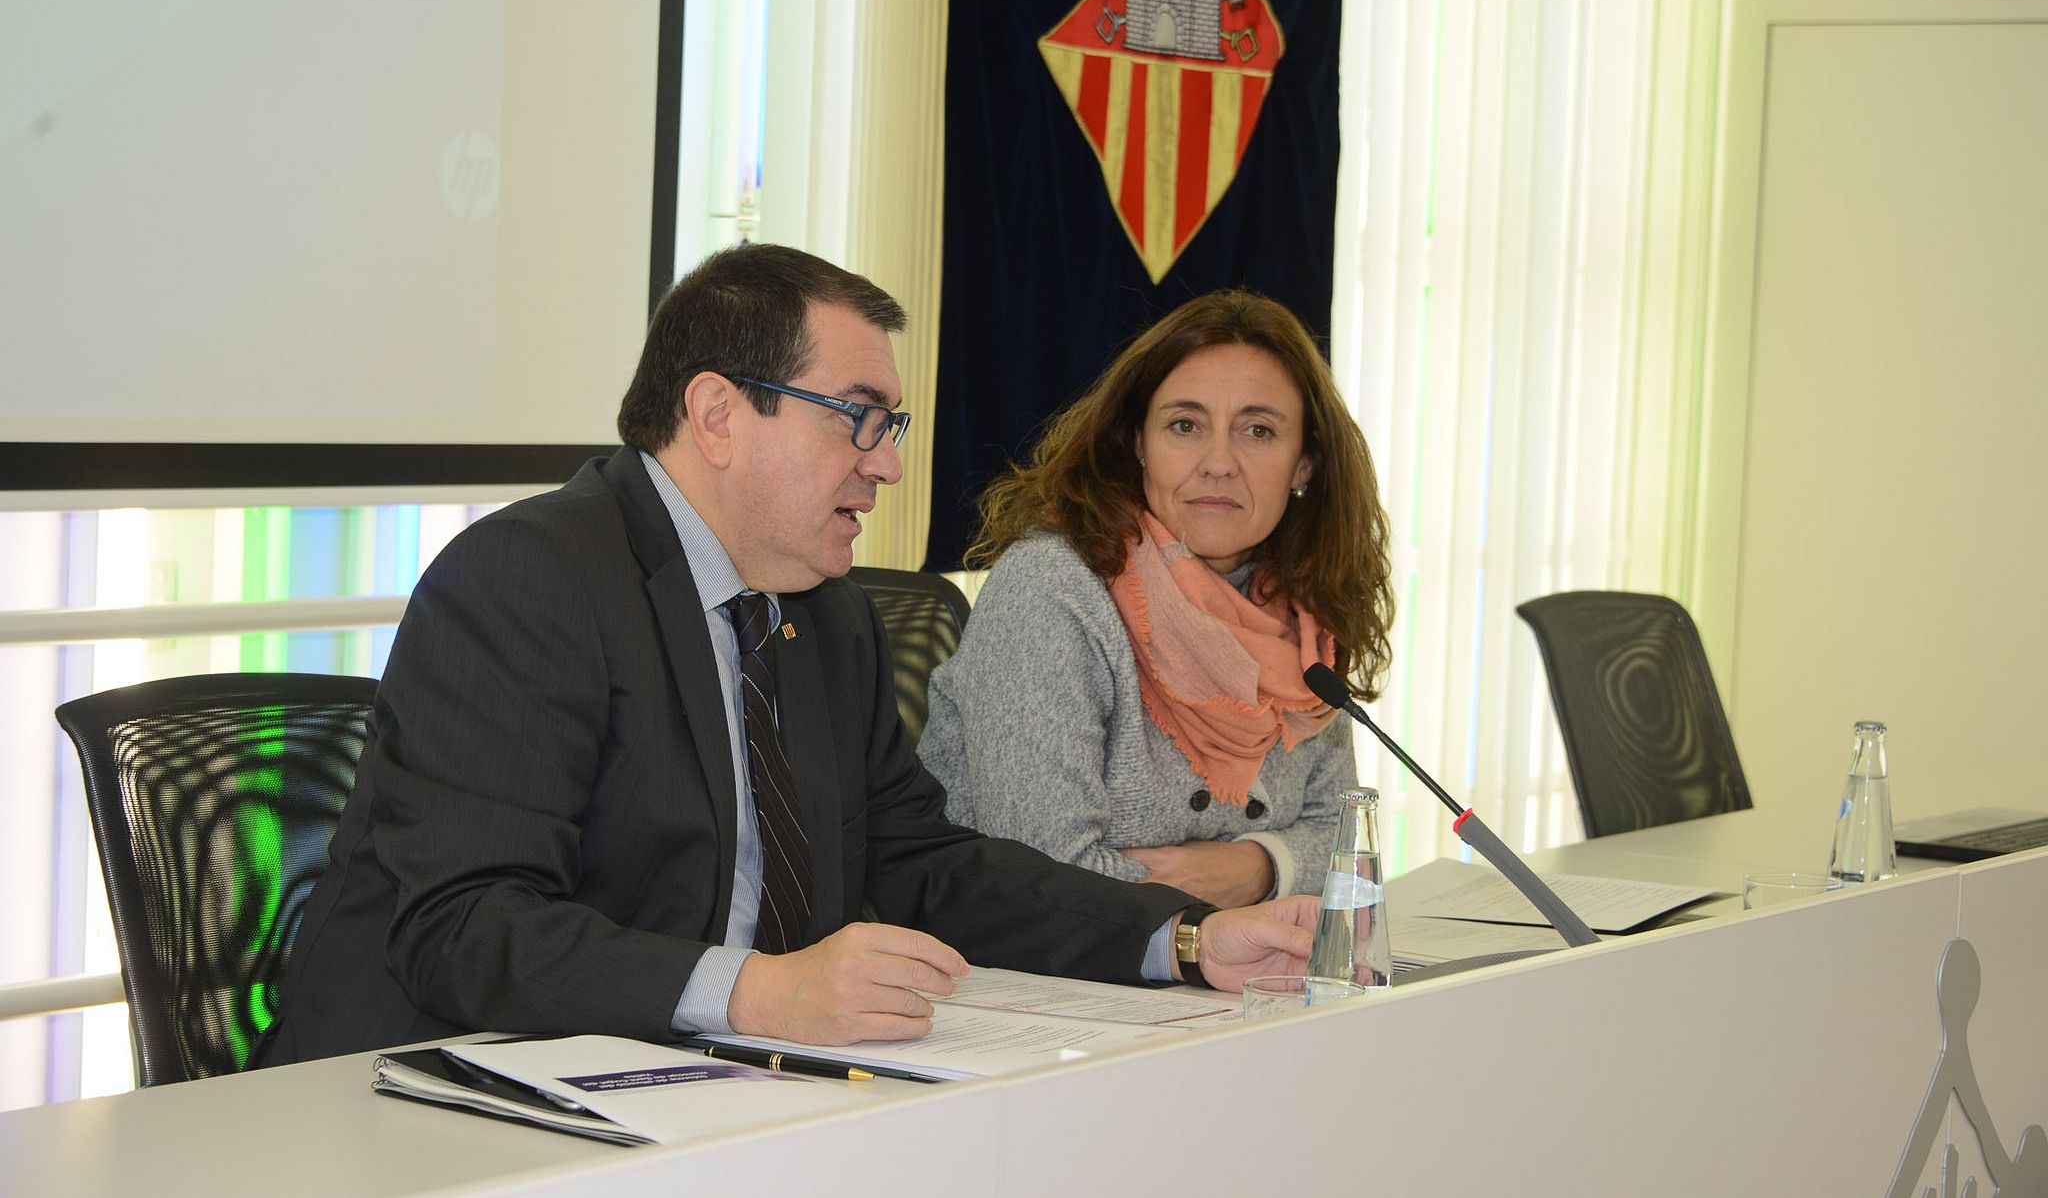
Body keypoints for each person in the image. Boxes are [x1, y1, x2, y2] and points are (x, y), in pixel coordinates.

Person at [254, 244, 1315, 1067]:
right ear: (717, 414)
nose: (889, 464)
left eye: (889, 423)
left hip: (701, 1088)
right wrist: (755, 992)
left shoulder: (824, 614)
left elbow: (922, 865)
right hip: (430, 1094)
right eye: (857, 419)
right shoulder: (529, 579)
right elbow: (461, 927)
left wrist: (1178, 940)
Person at [918, 291, 1395, 908]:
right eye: (1185, 425)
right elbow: (1041, 879)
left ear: (1304, 464)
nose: (1219, 462)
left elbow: (1346, 852)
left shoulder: (1303, 609)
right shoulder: (1051, 589)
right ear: (1138, 443)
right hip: (1041, 985)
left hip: (1228, 981)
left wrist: (1256, 867)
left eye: (1258, 430)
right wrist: (1212, 913)